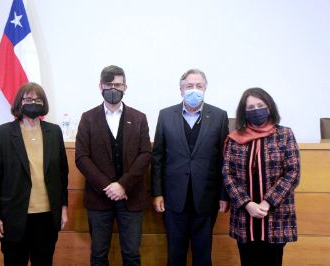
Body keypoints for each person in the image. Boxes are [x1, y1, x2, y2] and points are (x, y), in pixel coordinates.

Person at [0, 82, 69, 266]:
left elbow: (62, 174)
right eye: (28, 99)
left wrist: (63, 207)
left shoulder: (54, 132)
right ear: (19, 103)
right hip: (13, 216)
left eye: (38, 99)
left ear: (44, 103)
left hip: (46, 216)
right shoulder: (3, 133)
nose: (33, 103)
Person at [151, 68, 229, 266]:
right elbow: (158, 157)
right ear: (181, 89)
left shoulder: (219, 116)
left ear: (205, 88)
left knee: (203, 256)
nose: (194, 90)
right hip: (173, 199)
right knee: (175, 255)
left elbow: (224, 159)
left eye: (199, 86)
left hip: (206, 198)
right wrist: (157, 193)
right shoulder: (166, 115)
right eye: (189, 86)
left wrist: (223, 195)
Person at [75, 65, 151, 266]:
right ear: (100, 86)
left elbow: (145, 155)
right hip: (99, 198)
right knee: (99, 255)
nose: (113, 89)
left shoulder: (139, 118)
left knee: (132, 255)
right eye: (109, 84)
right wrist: (108, 187)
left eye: (117, 84)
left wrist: (123, 185)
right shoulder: (88, 118)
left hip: (131, 197)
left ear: (125, 87)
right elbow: (82, 157)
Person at [222, 87, 300, 266]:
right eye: (250, 108)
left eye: (260, 105)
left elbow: (292, 172)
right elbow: (227, 174)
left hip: (275, 215)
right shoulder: (235, 138)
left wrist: (267, 203)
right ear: (244, 112)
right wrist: (247, 204)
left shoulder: (284, 135)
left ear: (269, 107)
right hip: (244, 216)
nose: (255, 110)